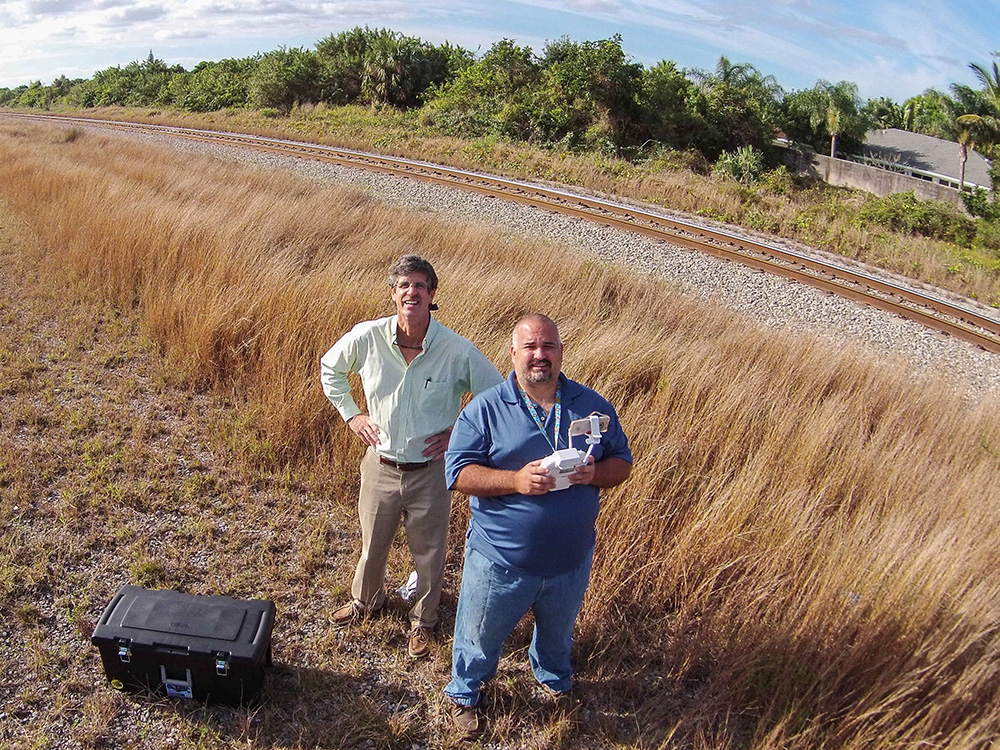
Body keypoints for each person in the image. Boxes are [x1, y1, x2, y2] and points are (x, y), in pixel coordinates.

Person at [443, 313, 633, 738]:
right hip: (500, 562)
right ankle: (464, 693)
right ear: (513, 353)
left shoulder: (592, 406)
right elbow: (456, 474)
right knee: (478, 636)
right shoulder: (486, 409)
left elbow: (621, 463)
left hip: (570, 560)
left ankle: (552, 681)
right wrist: (515, 480)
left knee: (558, 634)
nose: (539, 355)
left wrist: (594, 474)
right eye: (530, 347)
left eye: (548, 346)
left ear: (561, 352)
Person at [320, 255, 502, 659]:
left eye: (420, 285)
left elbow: (496, 395)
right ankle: (366, 602)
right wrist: (353, 415)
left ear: (432, 295)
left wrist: (460, 433)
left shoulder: (456, 350)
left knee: (430, 551)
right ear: (392, 293)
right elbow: (330, 368)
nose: (411, 292)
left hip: (431, 472)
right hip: (380, 465)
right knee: (372, 544)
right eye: (403, 285)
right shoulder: (367, 337)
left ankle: (424, 622)